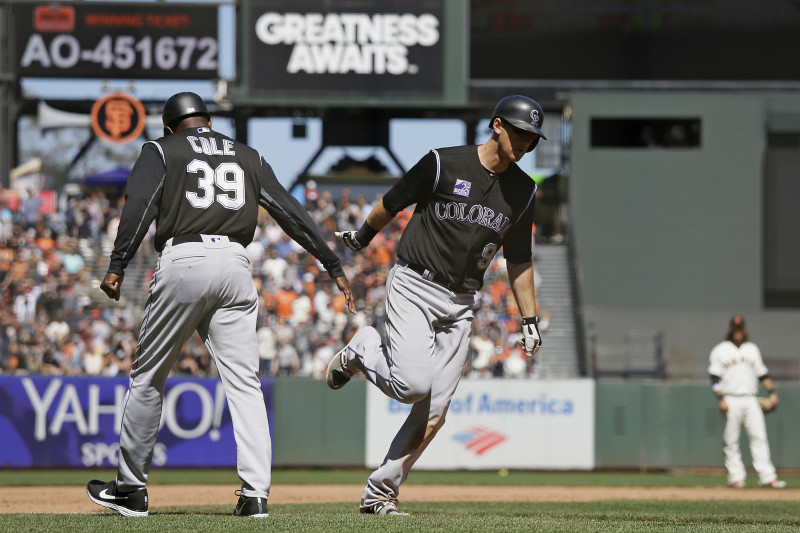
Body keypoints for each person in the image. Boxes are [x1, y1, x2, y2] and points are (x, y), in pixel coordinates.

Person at [86, 92, 356, 517]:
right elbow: (289, 210)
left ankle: (131, 489)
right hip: (235, 263)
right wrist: (331, 261)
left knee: (148, 376)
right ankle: (255, 496)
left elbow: (139, 204)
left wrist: (118, 262)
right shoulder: (247, 155)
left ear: (171, 126)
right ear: (208, 121)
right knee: (245, 384)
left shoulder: (161, 148)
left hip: (185, 257)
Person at [328, 95, 545, 515]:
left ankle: (379, 494)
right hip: (414, 283)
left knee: (435, 414)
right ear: (497, 125)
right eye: (520, 132)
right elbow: (392, 202)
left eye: (533, 137)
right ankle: (362, 349)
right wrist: (362, 237)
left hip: (462, 302)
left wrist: (530, 318)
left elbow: (518, 259)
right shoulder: (443, 162)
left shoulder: (523, 190)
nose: (526, 142)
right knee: (412, 387)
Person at [708, 314, 786, 489]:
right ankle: (736, 477)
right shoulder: (720, 350)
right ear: (730, 330)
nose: (738, 332)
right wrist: (720, 398)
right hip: (730, 398)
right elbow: (714, 378)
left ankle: (768, 477)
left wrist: (772, 392)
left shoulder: (752, 349)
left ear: (745, 330)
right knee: (731, 441)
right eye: (735, 329)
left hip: (751, 399)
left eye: (741, 329)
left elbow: (762, 374)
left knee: (759, 438)